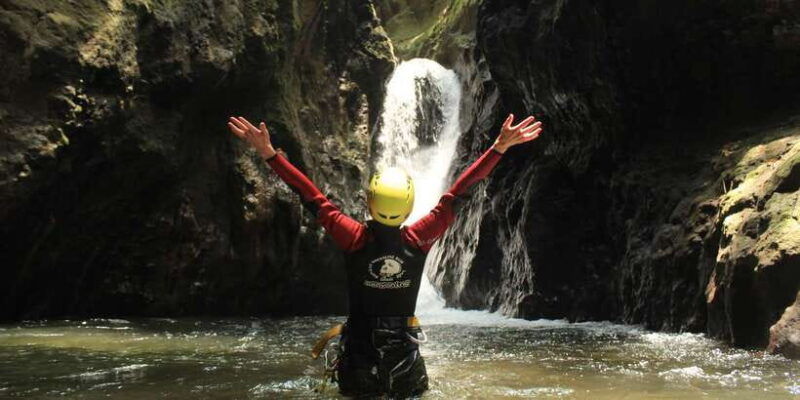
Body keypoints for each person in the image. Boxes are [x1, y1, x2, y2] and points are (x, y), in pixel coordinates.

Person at [226, 113, 543, 398]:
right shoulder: (419, 238)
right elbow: (460, 192)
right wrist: (498, 147)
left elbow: (311, 196)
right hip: (403, 361)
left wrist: (269, 154)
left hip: (358, 360)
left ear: (369, 202)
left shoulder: (352, 237)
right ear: (408, 205)